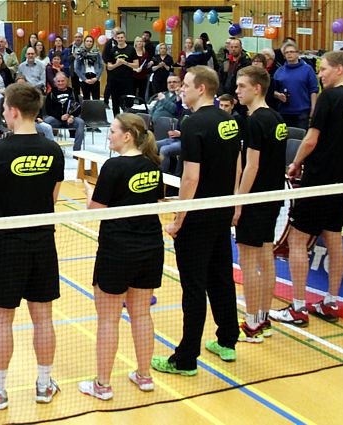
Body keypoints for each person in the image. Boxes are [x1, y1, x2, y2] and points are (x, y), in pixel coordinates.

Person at [0, 82, 65, 409]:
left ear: (13, 111)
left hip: (6, 244)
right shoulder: (53, 151)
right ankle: (44, 384)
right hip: (42, 242)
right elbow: (52, 197)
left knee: (2, 322)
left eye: (5, 109)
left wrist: (4, 221)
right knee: (44, 319)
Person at [270, 51, 343, 326]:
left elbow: (310, 139)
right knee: (334, 238)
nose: (320, 75)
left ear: (339, 69)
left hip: (318, 181)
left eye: (323, 69)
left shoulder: (329, 97)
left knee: (298, 240)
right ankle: (331, 302)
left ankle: (297, 308)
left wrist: (296, 164)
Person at [151, 66, 241, 376]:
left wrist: (179, 219)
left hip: (198, 217)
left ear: (201, 89)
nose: (181, 90)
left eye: (186, 85)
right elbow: (237, 165)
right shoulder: (229, 122)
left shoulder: (193, 124)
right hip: (221, 211)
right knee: (221, 278)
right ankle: (228, 341)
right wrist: (234, 202)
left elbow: (190, 176)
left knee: (193, 287)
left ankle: (185, 359)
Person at [78, 112, 162, 401]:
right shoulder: (153, 165)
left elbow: (96, 210)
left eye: (113, 131)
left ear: (128, 136)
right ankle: (144, 376)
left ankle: (102, 385)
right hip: (150, 247)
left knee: (108, 319)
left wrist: (89, 191)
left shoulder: (113, 167)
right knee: (141, 314)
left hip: (117, 251)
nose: (109, 135)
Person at [232, 65, 288, 342]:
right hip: (272, 198)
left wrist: (239, 202)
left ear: (257, 88)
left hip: (255, 199)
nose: (237, 90)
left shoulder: (254, 121)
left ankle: (252, 324)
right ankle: (263, 319)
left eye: (242, 86)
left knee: (249, 262)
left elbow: (251, 167)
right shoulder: (277, 118)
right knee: (266, 259)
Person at [273, 42, 319, 130]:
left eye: (291, 52)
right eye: (286, 52)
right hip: (284, 112)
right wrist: (278, 95)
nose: (289, 54)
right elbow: (273, 90)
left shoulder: (308, 69)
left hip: (303, 112)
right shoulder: (279, 71)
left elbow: (313, 90)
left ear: (298, 53)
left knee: (301, 139)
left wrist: (313, 109)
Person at [41, 72, 85, 150]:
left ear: (66, 81)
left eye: (62, 81)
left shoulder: (73, 92)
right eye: (58, 81)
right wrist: (60, 116)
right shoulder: (51, 94)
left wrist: (71, 116)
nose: (60, 83)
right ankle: (49, 148)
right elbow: (49, 110)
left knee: (80, 122)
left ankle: (77, 151)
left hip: (70, 119)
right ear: (55, 82)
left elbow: (78, 108)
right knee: (45, 122)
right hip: (56, 119)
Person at [106, 31, 138, 116]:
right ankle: (117, 120)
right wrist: (117, 64)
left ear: (125, 38)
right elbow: (109, 66)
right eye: (118, 38)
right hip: (115, 80)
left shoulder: (131, 49)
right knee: (115, 102)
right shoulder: (113, 50)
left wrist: (125, 63)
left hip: (128, 80)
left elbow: (136, 65)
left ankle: (128, 120)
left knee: (128, 102)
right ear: (116, 39)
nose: (120, 39)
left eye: (122, 37)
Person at [219, 39, 251, 114]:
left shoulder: (246, 63)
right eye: (231, 47)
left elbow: (247, 83)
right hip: (225, 98)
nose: (233, 49)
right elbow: (219, 80)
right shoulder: (225, 62)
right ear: (228, 48)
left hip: (240, 100)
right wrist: (221, 95)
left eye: (236, 47)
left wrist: (236, 98)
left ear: (241, 48)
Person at [73, 35, 101, 101]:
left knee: (96, 99)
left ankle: (95, 111)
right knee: (86, 99)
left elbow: (101, 66)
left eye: (91, 41)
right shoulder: (80, 53)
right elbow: (77, 69)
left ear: (93, 43)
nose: (89, 43)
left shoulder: (97, 53)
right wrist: (85, 79)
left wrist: (97, 78)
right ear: (84, 42)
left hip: (95, 78)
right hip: (84, 78)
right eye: (87, 41)